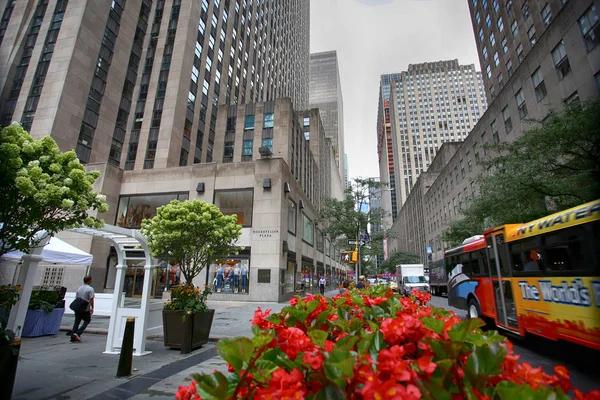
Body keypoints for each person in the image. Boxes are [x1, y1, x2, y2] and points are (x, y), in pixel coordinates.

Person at [71, 275, 94, 343]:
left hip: (78, 306)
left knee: (77, 322)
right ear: (89, 280)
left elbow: (77, 297)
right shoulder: (90, 289)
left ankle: (72, 337)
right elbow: (91, 299)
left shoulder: (79, 288)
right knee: (87, 320)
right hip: (85, 307)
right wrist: (92, 307)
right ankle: (78, 333)